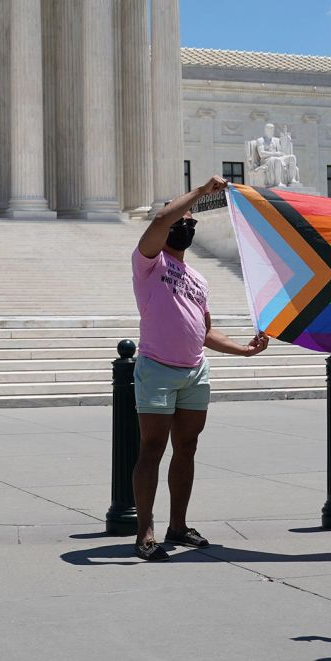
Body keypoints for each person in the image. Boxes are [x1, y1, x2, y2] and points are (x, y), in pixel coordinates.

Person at [132, 175, 269, 561]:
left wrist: (243, 350)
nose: (185, 227)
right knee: (152, 448)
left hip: (194, 370)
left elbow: (204, 331)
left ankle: (178, 524)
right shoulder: (148, 262)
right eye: (182, 221)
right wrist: (198, 194)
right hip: (157, 367)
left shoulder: (198, 278)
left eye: (191, 223)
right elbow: (159, 223)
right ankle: (145, 532)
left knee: (187, 448)